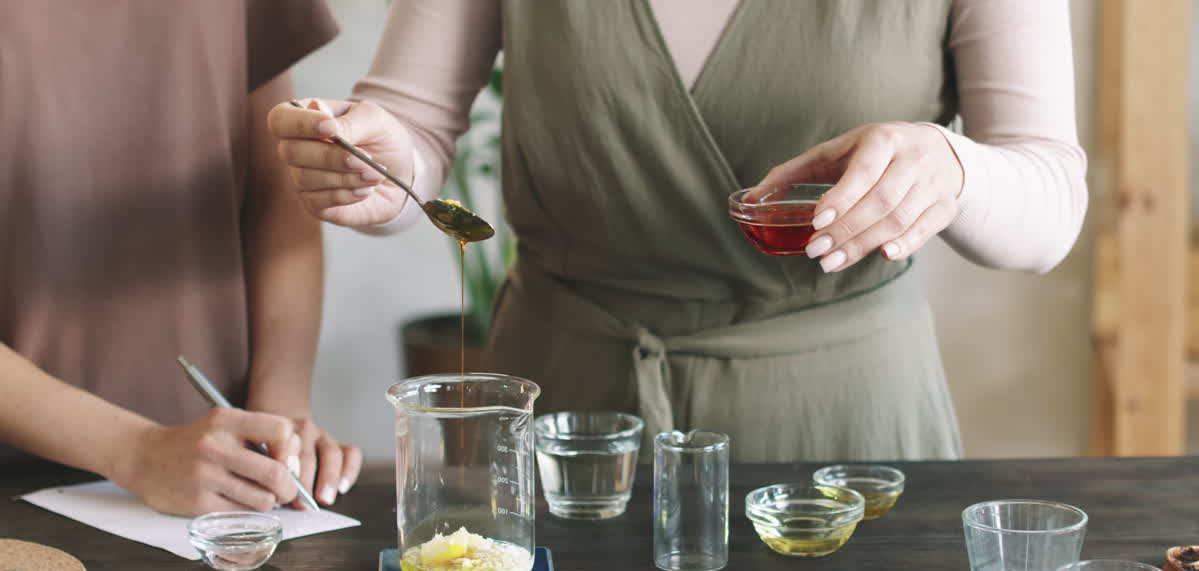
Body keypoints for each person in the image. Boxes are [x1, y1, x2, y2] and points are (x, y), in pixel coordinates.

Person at [269, 0, 1087, 461]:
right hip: (565, 419)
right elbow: (412, 122)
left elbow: (1050, 202)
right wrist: (378, 170)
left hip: (843, 432)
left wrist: (955, 168)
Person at [0, 0, 362, 514]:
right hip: (19, 481)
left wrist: (281, 408)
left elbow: (276, 183)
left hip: (223, 468)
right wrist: (135, 450)